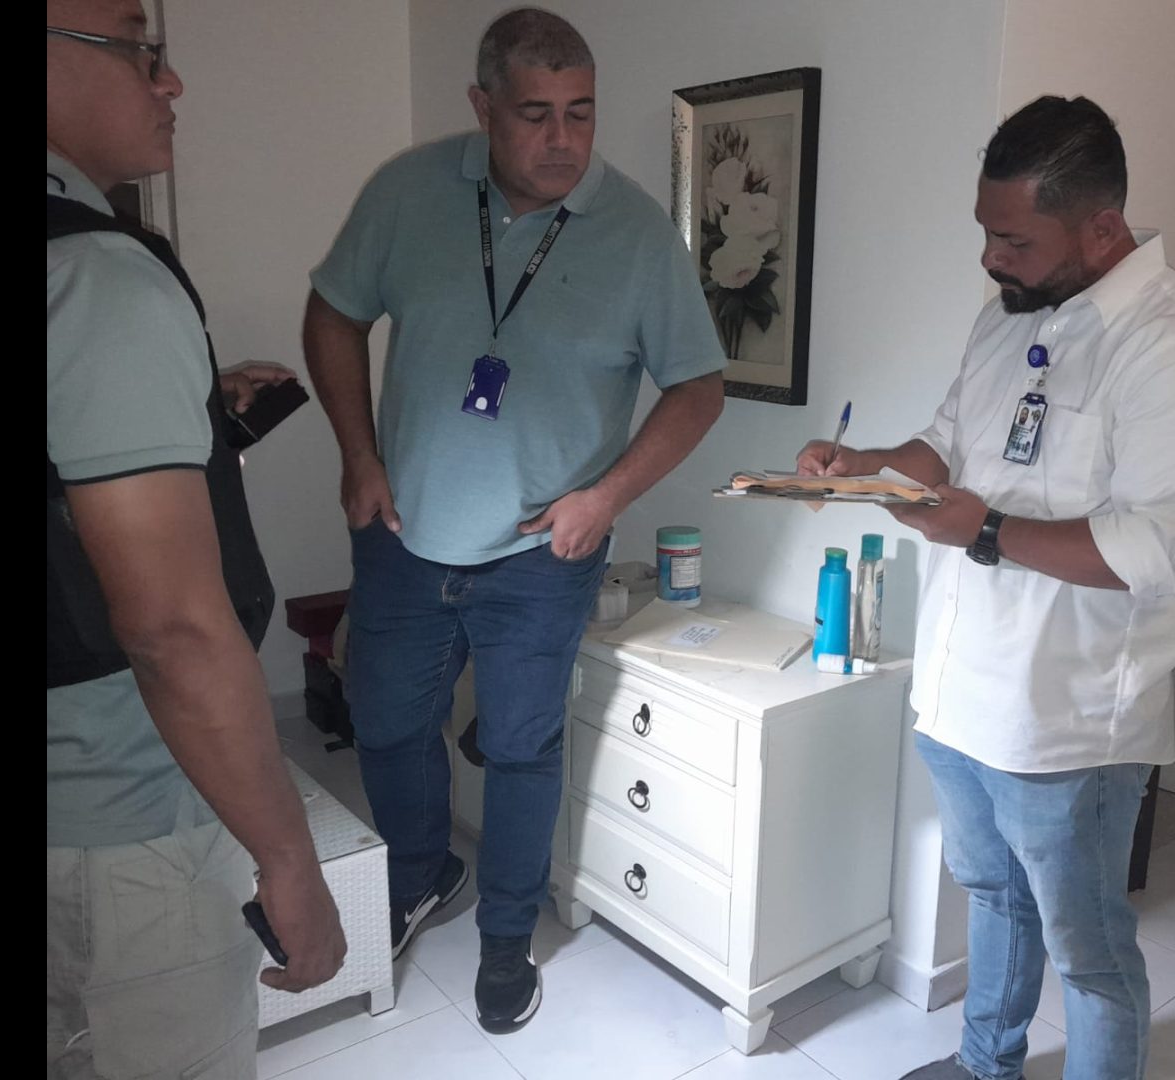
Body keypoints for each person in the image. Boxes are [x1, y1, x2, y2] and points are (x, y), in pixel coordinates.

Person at [797, 96, 1175, 1080]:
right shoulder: (1004, 319)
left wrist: (988, 531)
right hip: (960, 689)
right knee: (992, 898)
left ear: (1101, 227)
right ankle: (985, 1066)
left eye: (1014, 241)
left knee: (1089, 951)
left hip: (1070, 722)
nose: (991, 258)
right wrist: (866, 465)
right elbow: (948, 444)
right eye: (986, 233)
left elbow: (1160, 549)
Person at [301, 6, 726, 1035]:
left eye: (582, 112)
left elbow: (698, 386)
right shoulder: (408, 192)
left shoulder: (636, 233)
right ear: (483, 107)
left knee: (523, 746)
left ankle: (505, 939)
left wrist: (606, 497)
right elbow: (334, 314)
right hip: (403, 533)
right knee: (387, 723)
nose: (563, 140)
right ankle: (419, 873)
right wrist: (358, 454)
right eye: (535, 114)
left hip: (544, 550)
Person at [47, 2, 346, 1074]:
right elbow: (172, 630)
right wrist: (289, 861)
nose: (168, 82)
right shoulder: (99, 277)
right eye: (140, 49)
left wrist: (194, 415)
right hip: (119, 818)